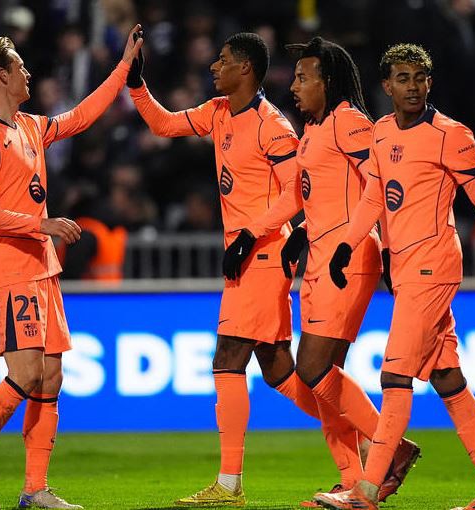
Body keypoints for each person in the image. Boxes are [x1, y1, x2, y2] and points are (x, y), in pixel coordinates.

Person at [127, 30, 346, 506]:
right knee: (278, 370)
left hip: (264, 254)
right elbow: (164, 125)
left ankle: (229, 484)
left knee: (227, 358)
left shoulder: (274, 126)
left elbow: (296, 194)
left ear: (245, 68)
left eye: (222, 60)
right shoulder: (218, 111)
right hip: (245, 256)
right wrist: (137, 86)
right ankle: (368, 439)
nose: (214, 66)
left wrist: (249, 233)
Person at [314, 44, 475, 510]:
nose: (412, 86)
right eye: (403, 78)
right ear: (387, 85)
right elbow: (375, 197)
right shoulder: (380, 132)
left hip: (434, 266)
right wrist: (347, 247)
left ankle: (367, 490)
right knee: (447, 378)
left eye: (420, 78)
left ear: (429, 83)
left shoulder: (451, 135)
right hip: (407, 269)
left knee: (395, 374)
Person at [0, 26, 144, 510]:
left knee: (51, 376)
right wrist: (42, 223)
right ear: (2, 76)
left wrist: (123, 69)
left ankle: (35, 488)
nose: (28, 73)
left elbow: (81, 116)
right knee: (26, 373)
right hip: (8, 267)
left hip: (41, 267)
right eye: (20, 67)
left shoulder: (31, 126)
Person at [243, 37, 420, 506]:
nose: (294, 86)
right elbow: (316, 194)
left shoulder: (350, 122)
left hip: (349, 259)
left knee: (313, 368)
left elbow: (380, 189)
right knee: (324, 380)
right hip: (319, 258)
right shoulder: (314, 128)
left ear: (327, 81)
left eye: (303, 77)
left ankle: (392, 447)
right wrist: (294, 231)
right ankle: (353, 479)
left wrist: (390, 249)